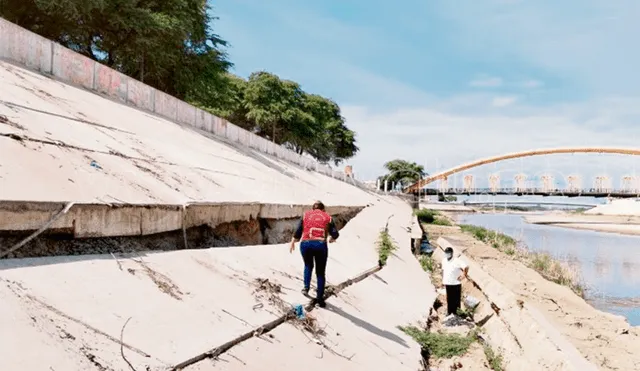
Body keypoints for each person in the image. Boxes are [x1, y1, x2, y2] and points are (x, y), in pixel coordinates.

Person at [290, 201, 339, 308]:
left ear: (313, 209)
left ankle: (305, 288)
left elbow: (298, 231)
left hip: (306, 244)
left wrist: (293, 241)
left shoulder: (305, 215)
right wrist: (332, 238)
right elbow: (335, 233)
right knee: (320, 272)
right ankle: (320, 299)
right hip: (320, 245)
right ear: (323, 209)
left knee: (308, 265)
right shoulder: (328, 217)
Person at [442, 247, 469, 317]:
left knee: (456, 299)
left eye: (449, 253)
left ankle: (457, 314)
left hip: (456, 283)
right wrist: (443, 281)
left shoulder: (457, 260)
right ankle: (449, 313)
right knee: (449, 299)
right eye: (446, 253)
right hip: (448, 283)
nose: (447, 254)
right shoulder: (444, 260)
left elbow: (466, 267)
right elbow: (444, 270)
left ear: (452, 253)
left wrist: (464, 275)